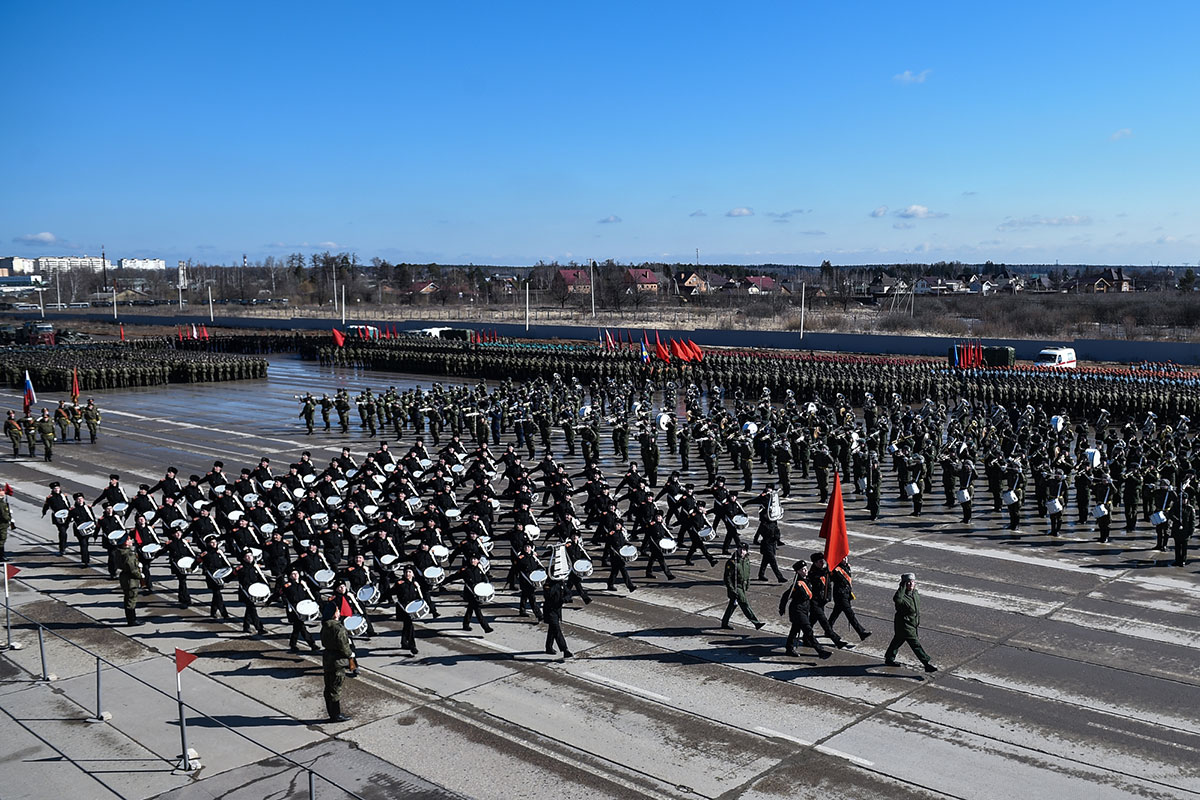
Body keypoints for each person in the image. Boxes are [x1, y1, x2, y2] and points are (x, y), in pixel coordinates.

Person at [884, 573, 937, 673]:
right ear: (903, 584)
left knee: (897, 641)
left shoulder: (915, 593)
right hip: (905, 625)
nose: (910, 584)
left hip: (912, 624)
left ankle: (889, 658)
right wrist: (902, 587)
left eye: (912, 582)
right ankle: (926, 664)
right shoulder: (902, 597)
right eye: (908, 582)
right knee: (915, 645)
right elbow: (897, 599)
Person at [778, 561, 830, 659]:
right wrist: (782, 608)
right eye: (802, 569)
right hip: (797, 610)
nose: (805, 570)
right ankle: (820, 651)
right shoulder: (797, 584)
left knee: (795, 630)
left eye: (806, 568)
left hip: (805, 610)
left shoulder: (807, 579)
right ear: (798, 572)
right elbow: (786, 595)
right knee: (808, 630)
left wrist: (826, 569)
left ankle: (789, 648)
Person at [320, 601, 355, 722]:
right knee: (336, 688)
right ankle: (336, 715)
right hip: (337, 661)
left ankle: (331, 713)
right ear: (334, 614)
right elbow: (343, 646)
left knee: (328, 686)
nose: (339, 612)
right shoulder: (338, 628)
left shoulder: (325, 625)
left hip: (327, 658)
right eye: (337, 610)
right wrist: (350, 655)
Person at [720, 543, 764, 630]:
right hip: (736, 587)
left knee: (732, 605)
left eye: (743, 549)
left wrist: (747, 583)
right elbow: (727, 578)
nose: (741, 551)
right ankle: (756, 623)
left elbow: (747, 573)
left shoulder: (746, 560)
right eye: (740, 549)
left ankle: (724, 623)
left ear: (746, 551)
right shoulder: (732, 562)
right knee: (744, 603)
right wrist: (732, 589)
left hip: (743, 586)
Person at [115, 533, 143, 626]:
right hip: (131, 580)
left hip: (124, 578)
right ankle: (132, 620)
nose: (131, 541)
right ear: (126, 543)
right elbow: (133, 569)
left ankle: (131, 619)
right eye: (129, 539)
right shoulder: (128, 554)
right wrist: (140, 575)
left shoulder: (119, 551)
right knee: (131, 600)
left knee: (128, 598)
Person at [542, 576, 573, 660]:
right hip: (550, 610)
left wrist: (565, 599)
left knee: (552, 629)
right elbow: (549, 595)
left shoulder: (560, 582)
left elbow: (569, 593)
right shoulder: (547, 584)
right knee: (556, 629)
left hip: (557, 610)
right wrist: (557, 584)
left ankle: (548, 647)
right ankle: (565, 650)